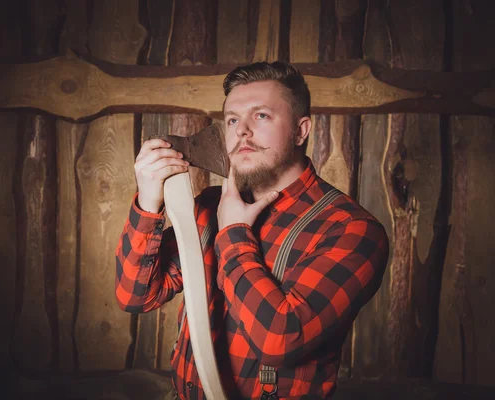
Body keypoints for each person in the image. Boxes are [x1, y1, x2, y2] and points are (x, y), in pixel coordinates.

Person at [115, 61, 389, 400]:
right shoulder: (207, 207)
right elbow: (136, 296)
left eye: (261, 116)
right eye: (232, 119)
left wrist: (234, 233)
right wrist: (148, 204)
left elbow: (280, 340)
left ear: (301, 131)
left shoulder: (352, 230)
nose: (242, 131)